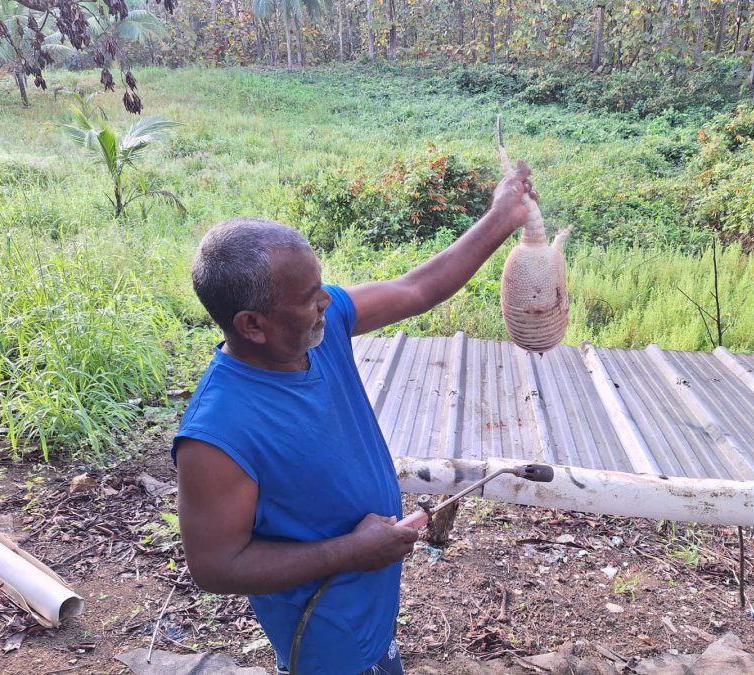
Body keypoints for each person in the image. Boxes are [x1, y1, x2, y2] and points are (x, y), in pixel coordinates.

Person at [172, 160, 537, 675]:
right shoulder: (217, 434)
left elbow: (417, 288)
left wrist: (504, 215)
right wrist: (350, 551)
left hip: (368, 608)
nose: (327, 301)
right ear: (252, 324)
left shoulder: (320, 330)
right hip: (324, 634)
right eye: (308, 298)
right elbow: (214, 566)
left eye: (322, 286)